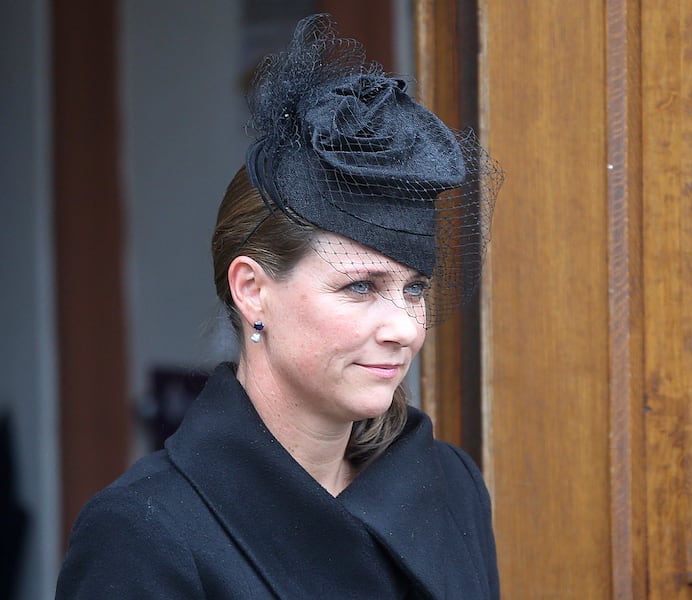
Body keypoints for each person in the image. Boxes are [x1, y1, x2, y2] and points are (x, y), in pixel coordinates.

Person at [55, 13, 503, 599]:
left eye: (414, 287)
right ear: (251, 290)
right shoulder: (143, 532)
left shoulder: (448, 485)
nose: (404, 329)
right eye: (360, 286)